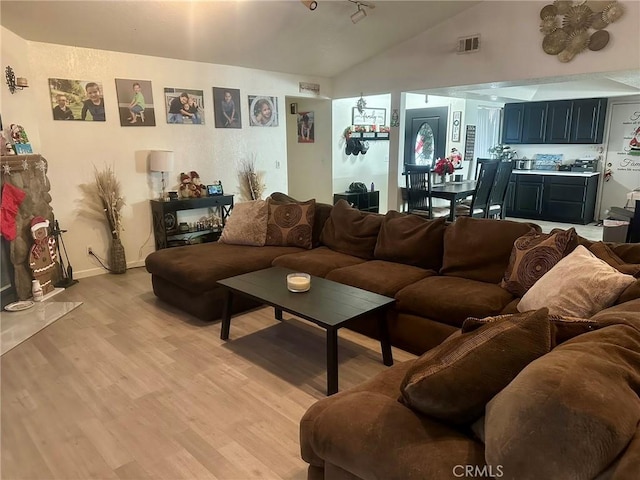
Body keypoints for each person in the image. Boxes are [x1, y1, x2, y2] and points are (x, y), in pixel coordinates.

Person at [28, 216, 57, 295]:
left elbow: (52, 250)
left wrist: (53, 257)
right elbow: (32, 256)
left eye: (42, 229)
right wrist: (32, 264)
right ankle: (42, 288)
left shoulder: (48, 243)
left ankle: (48, 286)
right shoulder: (35, 248)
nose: (40, 231)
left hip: (47, 263)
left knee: (48, 274)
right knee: (40, 277)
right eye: (37, 230)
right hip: (39, 266)